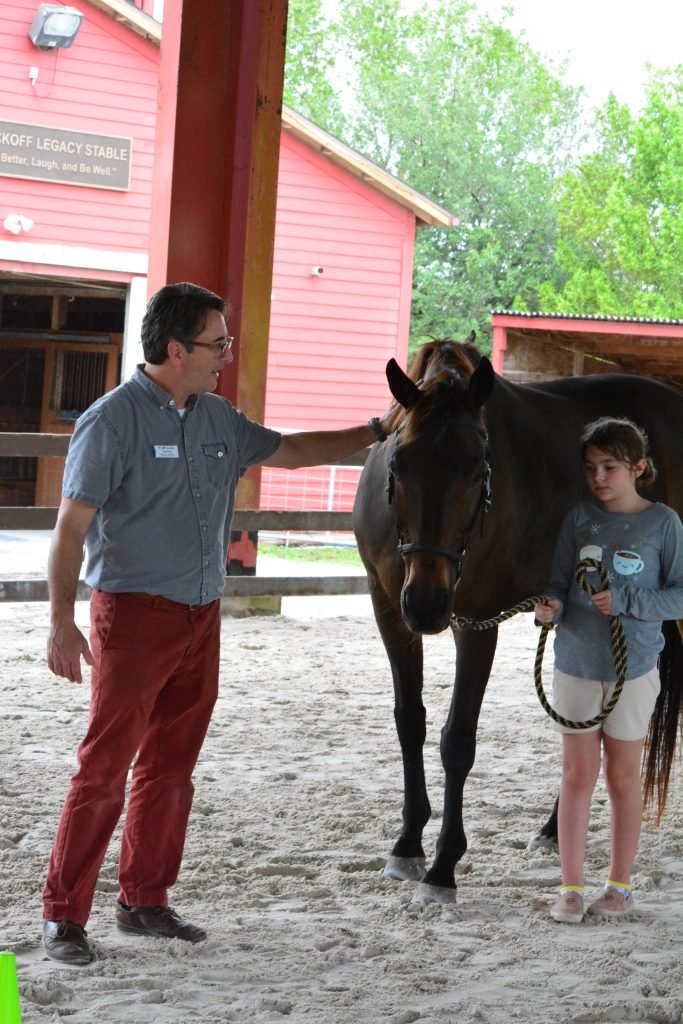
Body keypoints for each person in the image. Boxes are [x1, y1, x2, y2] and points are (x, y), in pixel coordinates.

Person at [42, 281, 396, 965]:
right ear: (176, 349)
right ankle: (63, 916)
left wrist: (377, 433)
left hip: (202, 618)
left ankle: (143, 899)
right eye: (217, 343)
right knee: (104, 769)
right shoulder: (112, 420)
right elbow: (70, 525)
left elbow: (290, 450)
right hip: (133, 616)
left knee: (172, 768)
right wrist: (59, 620)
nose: (225, 355)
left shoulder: (216, 418)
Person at [534, 416, 683, 925]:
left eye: (610, 466)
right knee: (576, 775)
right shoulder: (578, 518)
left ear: (638, 467)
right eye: (591, 468)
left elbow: (679, 594)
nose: (599, 477)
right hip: (575, 661)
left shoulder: (664, 523)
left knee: (622, 777)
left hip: (634, 668)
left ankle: (619, 885)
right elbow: (557, 579)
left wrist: (627, 599)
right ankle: (571, 887)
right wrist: (550, 605)